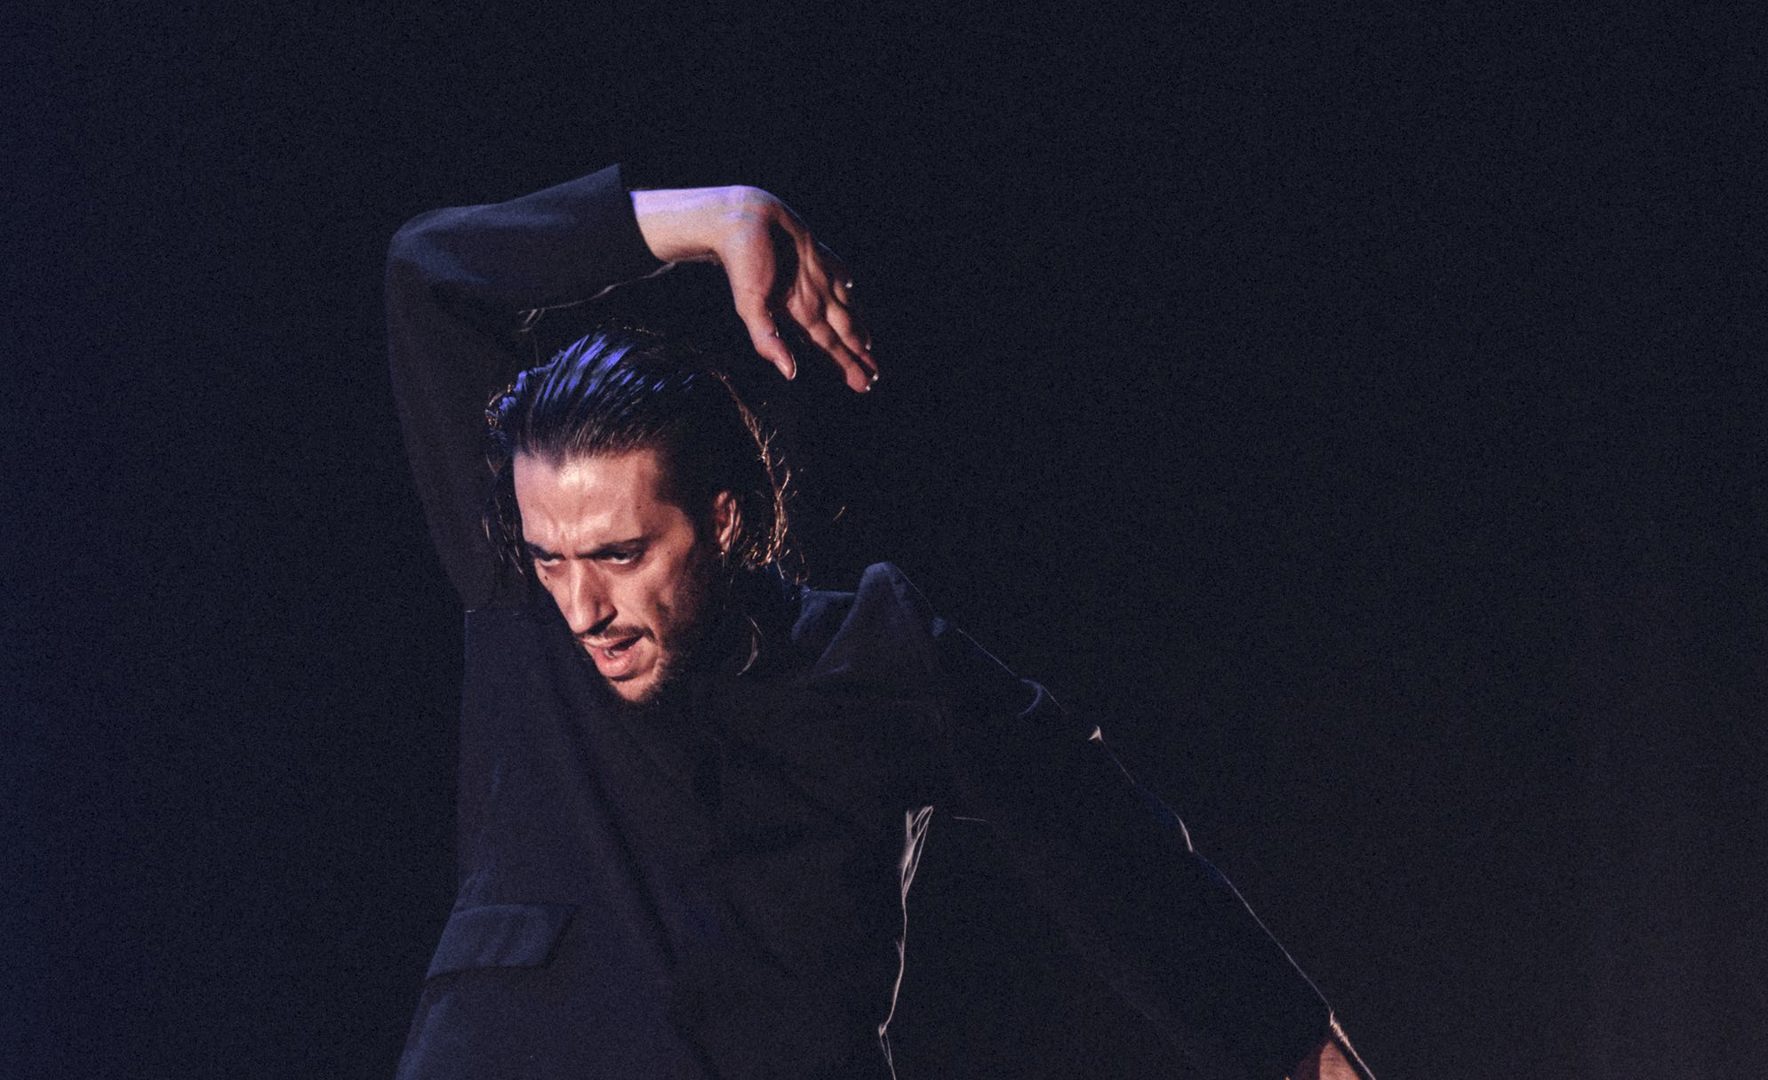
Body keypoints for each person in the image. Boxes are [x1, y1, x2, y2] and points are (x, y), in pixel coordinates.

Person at [386, 165, 1373, 1079]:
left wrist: (1290, 1047)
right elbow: (430, 272)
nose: (581, 608)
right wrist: (714, 217)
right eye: (550, 558)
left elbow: (1093, 828)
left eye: (621, 555)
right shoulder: (522, 605)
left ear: (723, 520)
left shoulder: (872, 656)